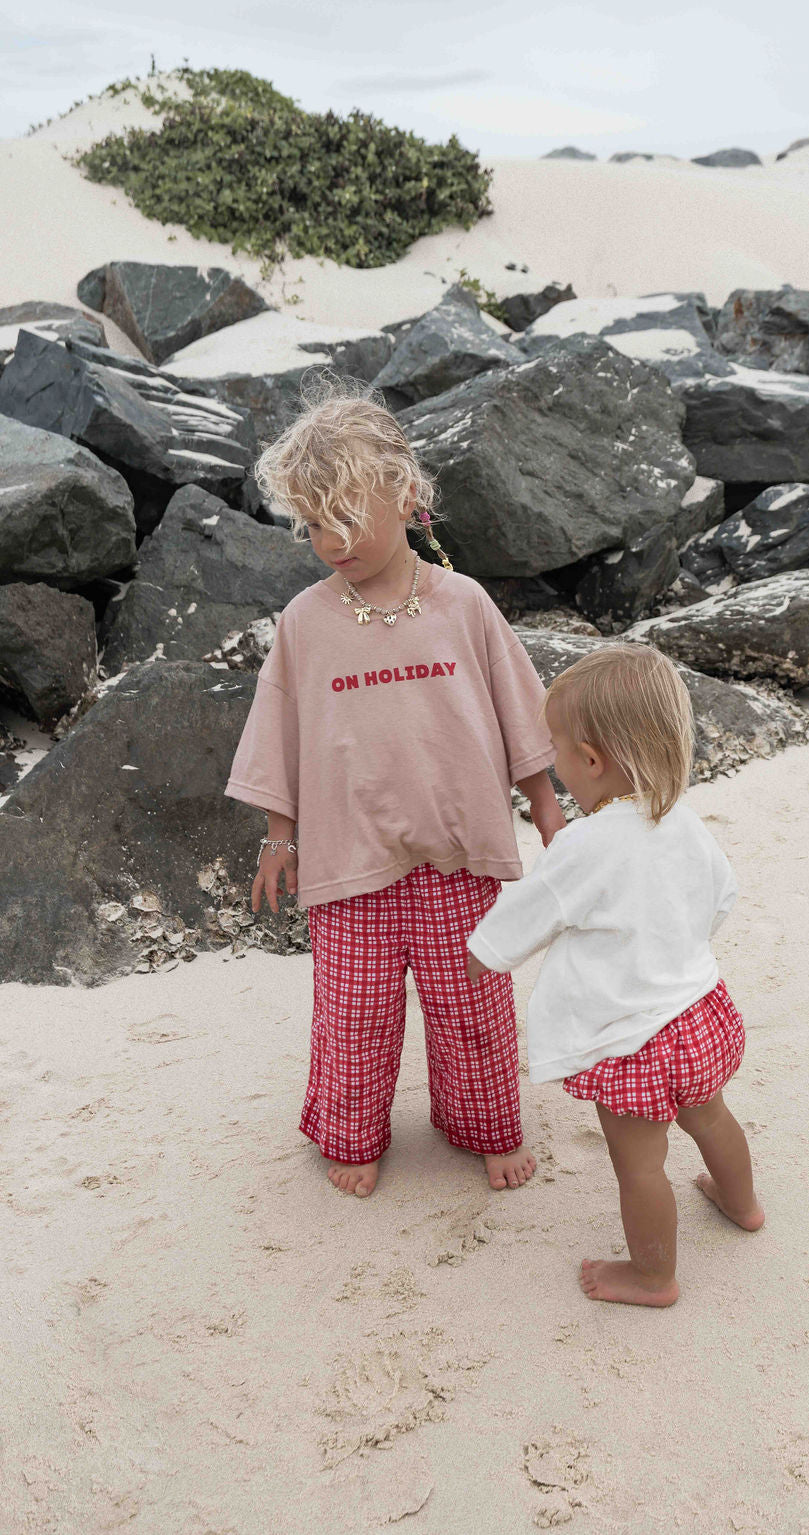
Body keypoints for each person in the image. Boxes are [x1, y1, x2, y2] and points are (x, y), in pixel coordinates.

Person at [225, 380, 565, 1199]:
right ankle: (349, 1130)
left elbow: (522, 716)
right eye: (312, 525)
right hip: (350, 861)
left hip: (460, 855)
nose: (330, 540)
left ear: (405, 493)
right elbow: (283, 733)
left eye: (345, 517)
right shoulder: (305, 621)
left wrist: (551, 814)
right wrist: (280, 834)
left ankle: (484, 1124)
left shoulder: (465, 605)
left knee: (473, 1009)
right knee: (353, 1015)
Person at [466, 645, 764, 1306]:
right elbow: (721, 897)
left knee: (640, 1164)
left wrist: (480, 954)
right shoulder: (681, 819)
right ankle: (742, 1203)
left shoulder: (586, 843)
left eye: (556, 751)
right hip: (698, 1014)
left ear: (591, 759)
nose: (556, 764)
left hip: (632, 1038)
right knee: (711, 1117)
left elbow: (529, 915)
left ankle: (653, 1275)